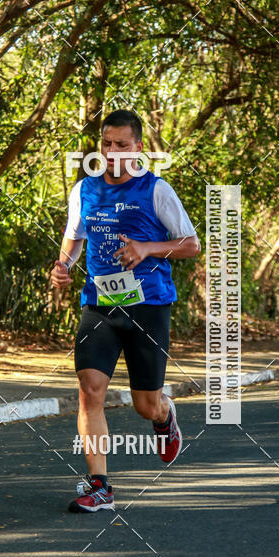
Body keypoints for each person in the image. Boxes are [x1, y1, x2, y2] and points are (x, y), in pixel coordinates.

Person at [50, 109, 200, 513]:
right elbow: (73, 236)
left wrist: (146, 248)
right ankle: (100, 486)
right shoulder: (85, 190)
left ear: (137, 148)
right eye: (106, 144)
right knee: (89, 391)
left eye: (121, 145)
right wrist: (63, 265)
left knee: (143, 404)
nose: (112, 152)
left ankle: (164, 415)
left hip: (148, 306)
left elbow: (190, 244)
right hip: (99, 306)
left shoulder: (156, 190)